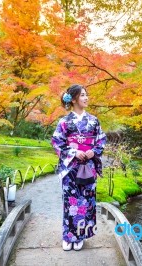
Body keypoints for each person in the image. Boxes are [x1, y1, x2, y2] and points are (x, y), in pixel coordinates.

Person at [51, 84, 107, 251]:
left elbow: (101, 140)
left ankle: (80, 235)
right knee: (71, 202)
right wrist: (74, 152)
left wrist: (92, 152)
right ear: (74, 99)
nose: (86, 98)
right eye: (83, 95)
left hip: (88, 167)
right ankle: (68, 236)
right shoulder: (64, 122)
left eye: (86, 95)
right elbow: (57, 142)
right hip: (71, 168)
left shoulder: (94, 121)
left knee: (87, 201)